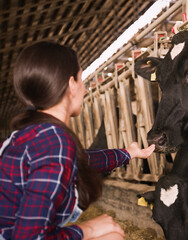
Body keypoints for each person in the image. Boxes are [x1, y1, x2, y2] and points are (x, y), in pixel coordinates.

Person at [0, 41, 155, 240]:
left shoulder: (28, 134)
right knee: (111, 236)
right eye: (82, 80)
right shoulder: (55, 142)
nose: (84, 90)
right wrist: (85, 230)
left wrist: (129, 153)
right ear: (72, 85)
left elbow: (81, 160)